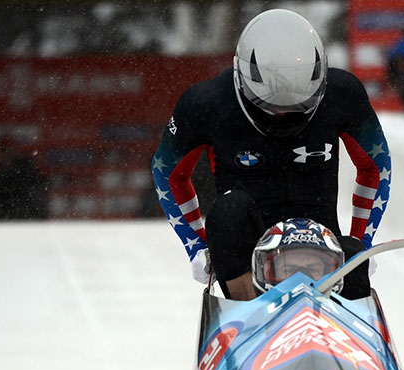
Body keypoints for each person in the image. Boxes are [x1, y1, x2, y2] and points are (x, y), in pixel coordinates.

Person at [151, 9, 391, 300]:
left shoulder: (343, 94)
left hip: (321, 249)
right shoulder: (206, 103)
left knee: (353, 259)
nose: (282, 114)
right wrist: (196, 246)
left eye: (296, 106)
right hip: (247, 255)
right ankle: (246, 311)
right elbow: (168, 171)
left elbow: (375, 166)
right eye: (270, 105)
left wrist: (361, 241)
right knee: (229, 213)